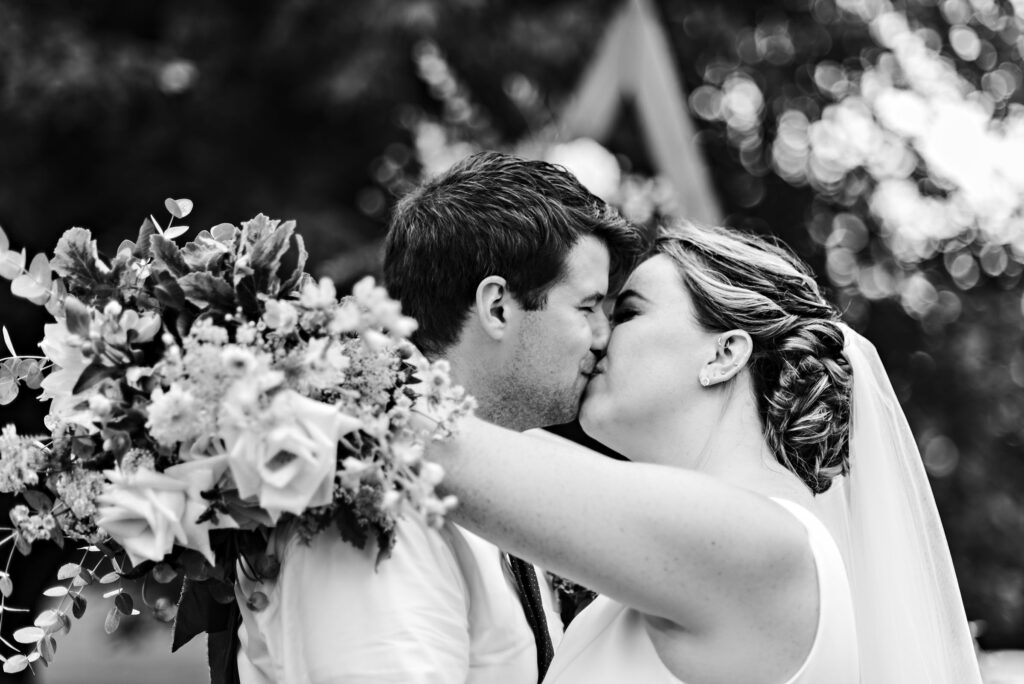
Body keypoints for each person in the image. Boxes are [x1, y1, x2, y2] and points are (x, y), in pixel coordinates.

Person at [422, 220, 983, 683]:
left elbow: (443, 448)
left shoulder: (764, 544)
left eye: (628, 313)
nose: (598, 338)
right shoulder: (724, 543)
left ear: (724, 354)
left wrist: (349, 351)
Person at [234, 151, 643, 684]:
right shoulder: (371, 491)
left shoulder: (484, 475)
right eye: (587, 307)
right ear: (497, 307)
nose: (602, 336)